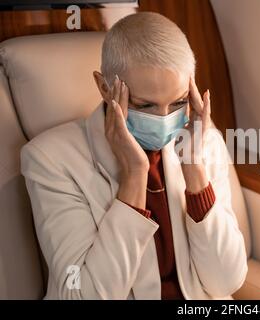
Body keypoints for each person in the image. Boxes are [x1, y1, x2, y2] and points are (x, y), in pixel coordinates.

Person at [20, 12, 247, 300]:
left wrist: (195, 172)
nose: (165, 119)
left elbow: (226, 281)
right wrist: (134, 177)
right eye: (146, 105)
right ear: (104, 88)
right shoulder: (50, 160)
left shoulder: (203, 142)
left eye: (178, 102)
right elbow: (82, 295)